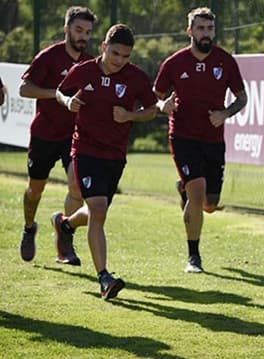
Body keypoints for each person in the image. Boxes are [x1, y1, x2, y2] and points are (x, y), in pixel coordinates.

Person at [54, 24, 158, 300]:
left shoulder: (136, 77)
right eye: (115, 54)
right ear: (103, 47)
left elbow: (151, 110)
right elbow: (60, 91)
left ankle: (65, 225)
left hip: (115, 154)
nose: (119, 61)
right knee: (98, 209)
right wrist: (68, 103)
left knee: (96, 211)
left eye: (125, 56)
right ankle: (104, 278)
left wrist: (129, 116)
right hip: (86, 150)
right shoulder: (84, 70)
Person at [154, 7, 247, 274]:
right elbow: (155, 95)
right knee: (197, 193)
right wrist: (164, 105)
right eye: (201, 29)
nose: (206, 34)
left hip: (213, 140)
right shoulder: (174, 63)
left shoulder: (225, 61)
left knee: (210, 204)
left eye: (210, 29)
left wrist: (225, 113)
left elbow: (242, 98)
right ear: (189, 32)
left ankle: (183, 190)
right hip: (183, 136)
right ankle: (193, 257)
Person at [18, 6, 96, 265]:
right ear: (66, 29)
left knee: (76, 187)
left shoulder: (90, 62)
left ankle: (65, 243)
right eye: (78, 30)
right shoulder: (48, 57)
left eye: (87, 32)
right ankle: (29, 228)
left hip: (74, 136)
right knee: (34, 191)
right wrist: (58, 95)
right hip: (44, 133)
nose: (83, 36)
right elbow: (24, 89)